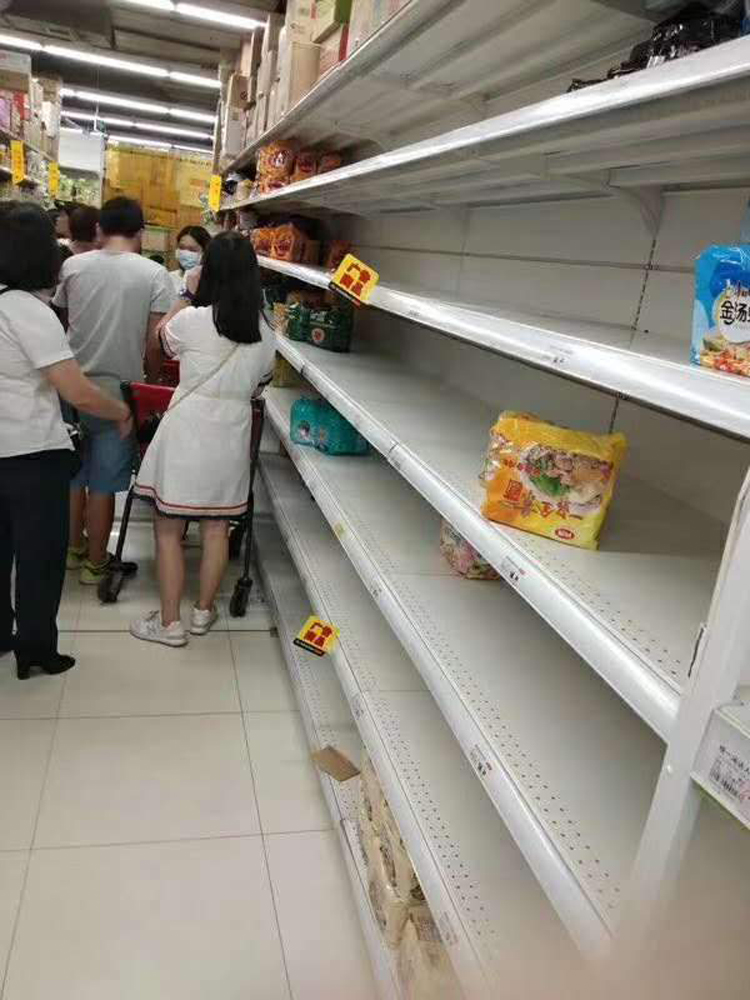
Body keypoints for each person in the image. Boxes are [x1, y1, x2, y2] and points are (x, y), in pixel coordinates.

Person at [0, 202, 133, 679]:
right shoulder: (28, 311)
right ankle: (35, 649)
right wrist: (120, 411)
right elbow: (74, 389)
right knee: (39, 555)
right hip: (31, 452)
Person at [130, 232, 274, 647]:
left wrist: (186, 295)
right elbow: (261, 384)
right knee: (216, 528)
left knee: (168, 529)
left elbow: (160, 338)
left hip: (188, 427)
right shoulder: (266, 332)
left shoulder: (194, 320)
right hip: (232, 431)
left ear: (209, 272)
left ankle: (169, 624)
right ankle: (202, 612)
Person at [53, 196, 174, 584]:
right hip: (118, 393)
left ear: (99, 229)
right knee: (104, 482)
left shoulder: (72, 266)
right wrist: (152, 381)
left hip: (69, 384)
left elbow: (65, 321)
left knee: (73, 474)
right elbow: (154, 342)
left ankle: (72, 549)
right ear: (141, 233)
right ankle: (95, 565)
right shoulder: (154, 274)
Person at [169, 225, 210, 295]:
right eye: (181, 247)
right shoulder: (169, 277)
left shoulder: (211, 282)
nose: (186, 253)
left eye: (192, 249)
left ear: (204, 252)